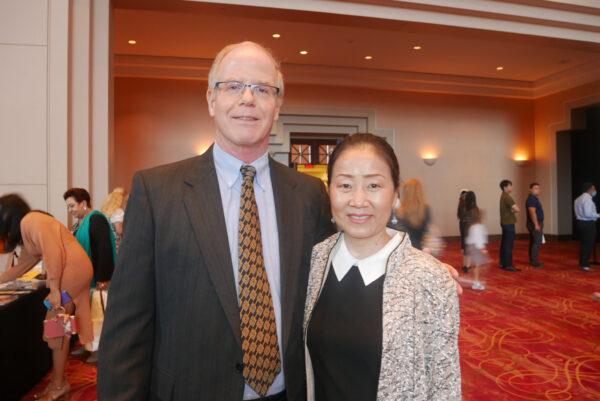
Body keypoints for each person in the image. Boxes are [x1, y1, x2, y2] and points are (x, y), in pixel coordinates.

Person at [98, 41, 461, 401]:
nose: (248, 99)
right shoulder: (158, 192)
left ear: (277, 105)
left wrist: (420, 273)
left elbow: (347, 257)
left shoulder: (306, 194)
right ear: (211, 99)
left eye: (262, 89)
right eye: (234, 86)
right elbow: (127, 327)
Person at [304, 134, 461, 401]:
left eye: (374, 185)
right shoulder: (314, 261)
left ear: (395, 194)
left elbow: (445, 383)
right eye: (345, 185)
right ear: (330, 191)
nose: (358, 200)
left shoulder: (430, 278)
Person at [0, 194, 93, 400]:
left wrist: (54, 289)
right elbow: (18, 269)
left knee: (56, 329)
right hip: (74, 272)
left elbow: (53, 253)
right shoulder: (28, 228)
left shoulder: (31, 221)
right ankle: (58, 382)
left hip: (71, 272)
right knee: (60, 328)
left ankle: (59, 384)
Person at [63, 187, 116, 363]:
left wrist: (103, 278)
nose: (70, 211)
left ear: (83, 204)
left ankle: (99, 350)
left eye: (72, 206)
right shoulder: (82, 222)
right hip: (84, 279)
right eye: (68, 207)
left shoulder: (96, 219)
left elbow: (104, 249)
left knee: (97, 315)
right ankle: (86, 346)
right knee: (85, 315)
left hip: (97, 278)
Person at [394, 178, 430, 250]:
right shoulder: (426, 209)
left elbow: (397, 233)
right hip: (420, 249)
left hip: (404, 249)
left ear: (406, 191)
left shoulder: (399, 210)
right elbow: (427, 232)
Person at [574, 182, 600, 271]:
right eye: (593, 188)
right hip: (588, 224)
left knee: (584, 244)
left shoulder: (578, 199)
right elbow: (588, 214)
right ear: (589, 189)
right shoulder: (587, 199)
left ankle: (582, 263)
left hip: (580, 223)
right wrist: (598, 215)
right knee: (588, 244)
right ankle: (585, 265)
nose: (595, 190)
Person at [465, 208, 490, 291]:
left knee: (476, 265)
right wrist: (482, 248)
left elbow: (469, 239)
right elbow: (479, 239)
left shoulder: (472, 227)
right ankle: (476, 282)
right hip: (477, 248)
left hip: (472, 247)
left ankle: (476, 280)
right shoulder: (479, 227)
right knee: (477, 265)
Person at [499, 179, 520, 272]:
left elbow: (511, 209)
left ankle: (503, 263)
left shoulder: (503, 196)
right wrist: (514, 210)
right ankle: (508, 265)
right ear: (505, 187)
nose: (512, 187)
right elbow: (517, 209)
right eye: (510, 186)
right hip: (509, 223)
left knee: (504, 244)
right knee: (508, 244)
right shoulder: (507, 197)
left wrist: (511, 210)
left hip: (505, 223)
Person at [525, 182, 544, 268]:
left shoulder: (534, 199)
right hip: (534, 223)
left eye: (538, 188)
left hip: (534, 223)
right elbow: (532, 212)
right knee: (537, 242)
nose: (538, 190)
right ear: (531, 190)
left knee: (533, 241)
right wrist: (536, 224)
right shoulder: (532, 199)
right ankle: (535, 262)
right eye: (535, 188)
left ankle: (533, 260)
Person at [457, 189, 469, 271]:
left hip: (462, 224)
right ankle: (466, 265)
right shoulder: (465, 205)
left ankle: (466, 264)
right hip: (466, 225)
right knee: (466, 244)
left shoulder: (460, 204)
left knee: (464, 244)